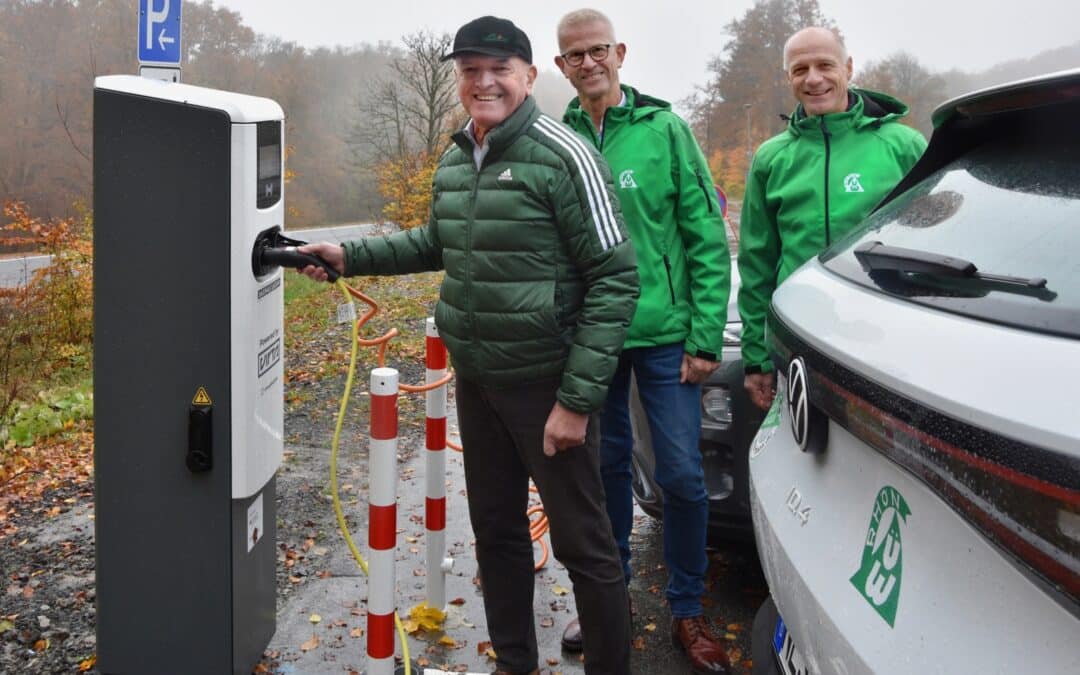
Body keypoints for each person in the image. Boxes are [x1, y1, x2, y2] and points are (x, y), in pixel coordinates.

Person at [299, 16, 637, 675]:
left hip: (548, 386)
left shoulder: (565, 156)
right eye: (470, 71)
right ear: (459, 79)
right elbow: (433, 244)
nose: (484, 82)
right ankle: (515, 661)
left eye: (499, 70)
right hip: (478, 381)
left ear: (529, 76)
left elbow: (615, 277)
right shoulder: (458, 156)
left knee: (585, 545)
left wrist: (577, 399)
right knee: (498, 532)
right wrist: (347, 254)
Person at [554, 9, 733, 675]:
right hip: (593, 337)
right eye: (574, 55)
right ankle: (610, 601)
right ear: (560, 66)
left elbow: (705, 235)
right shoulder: (557, 136)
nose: (588, 63)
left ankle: (688, 609)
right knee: (604, 474)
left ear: (619, 52)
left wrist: (705, 333)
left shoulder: (665, 130)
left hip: (664, 338)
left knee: (683, 475)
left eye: (598, 50)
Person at [739, 26, 927, 410]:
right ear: (788, 77)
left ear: (848, 67)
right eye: (800, 69)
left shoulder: (902, 145)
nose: (813, 79)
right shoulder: (772, 158)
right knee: (802, 456)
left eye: (825, 65)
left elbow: (933, 241)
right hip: (798, 339)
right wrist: (756, 357)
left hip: (887, 340)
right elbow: (757, 264)